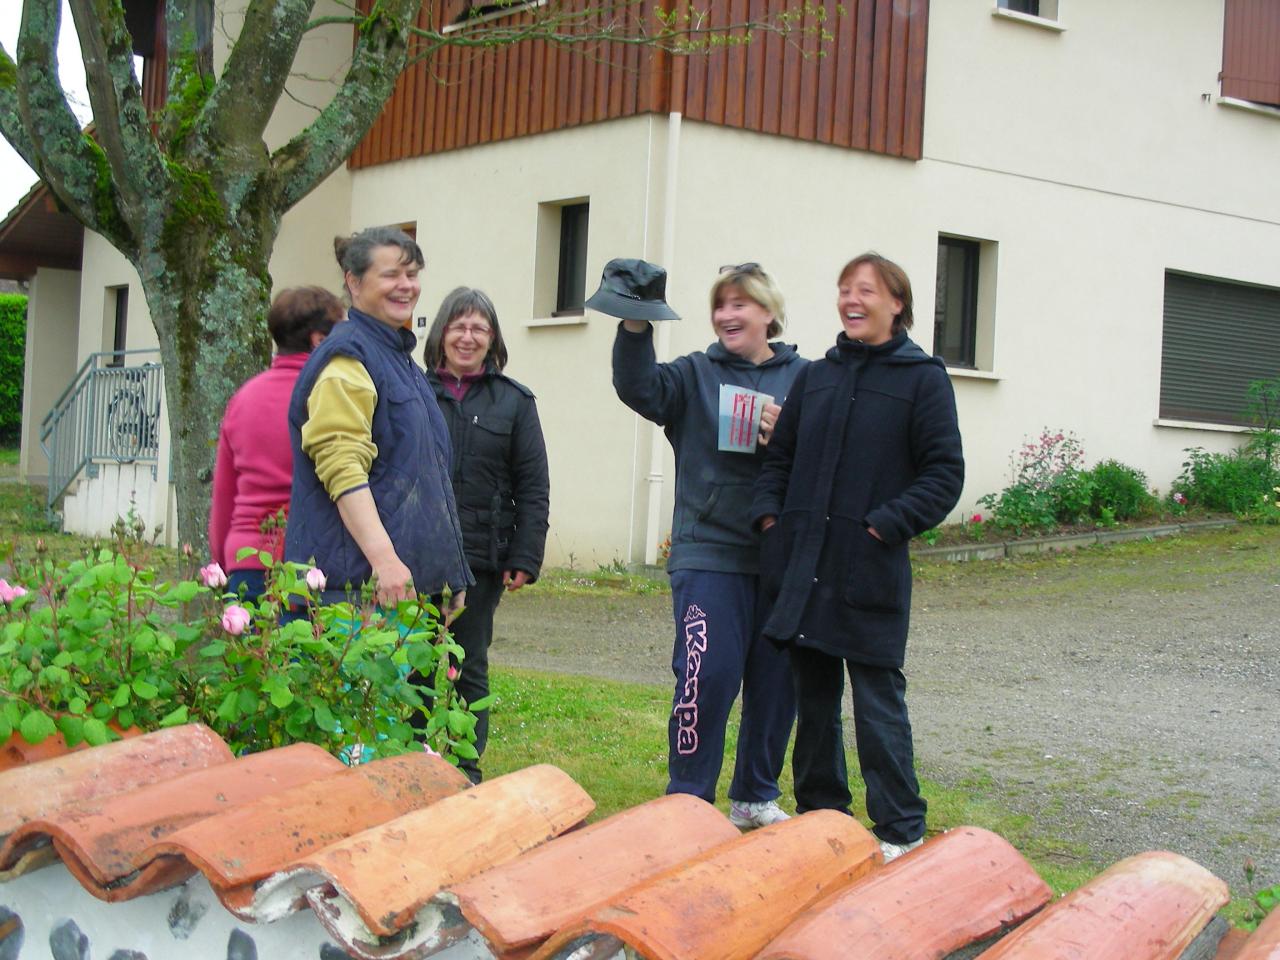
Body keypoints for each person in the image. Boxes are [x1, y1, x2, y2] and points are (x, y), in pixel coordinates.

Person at [751, 252, 964, 861]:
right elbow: (780, 461)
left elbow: (944, 474)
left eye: (865, 290)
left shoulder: (923, 378)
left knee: (877, 704)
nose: (852, 299)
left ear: (896, 303)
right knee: (813, 703)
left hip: (869, 566)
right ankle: (823, 820)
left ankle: (900, 831)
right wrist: (772, 521)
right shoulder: (817, 375)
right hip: (806, 564)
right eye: (845, 288)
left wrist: (882, 526)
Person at [602, 257, 805, 830]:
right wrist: (636, 323)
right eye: (720, 305)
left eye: (740, 303)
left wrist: (788, 430)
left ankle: (754, 796)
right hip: (709, 552)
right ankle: (688, 798)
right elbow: (636, 386)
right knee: (706, 673)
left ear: (769, 313)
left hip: (781, 557)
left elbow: (831, 451)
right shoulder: (693, 374)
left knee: (775, 681)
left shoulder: (805, 378)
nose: (727, 314)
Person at [284, 225, 471, 625]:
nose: (406, 286)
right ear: (353, 281)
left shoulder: (399, 360)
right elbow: (342, 467)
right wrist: (384, 560)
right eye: (391, 275)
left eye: (413, 274)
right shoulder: (347, 361)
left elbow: (422, 479)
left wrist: (445, 575)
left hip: (395, 590)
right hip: (354, 594)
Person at [423, 287, 550, 783]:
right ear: (441, 334)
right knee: (410, 660)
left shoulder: (514, 403)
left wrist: (525, 554)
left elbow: (533, 486)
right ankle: (408, 758)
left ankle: (463, 767)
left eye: (479, 328)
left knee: (467, 662)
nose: (468, 337)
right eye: (459, 326)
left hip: (480, 557)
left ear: (492, 338)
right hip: (415, 553)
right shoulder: (414, 392)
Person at [209, 286, 343, 604]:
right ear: (318, 340)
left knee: (255, 654)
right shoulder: (329, 396)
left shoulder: (243, 398)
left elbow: (224, 495)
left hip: (246, 560)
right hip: (311, 566)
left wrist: (224, 558)